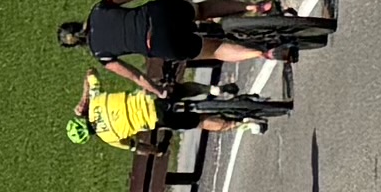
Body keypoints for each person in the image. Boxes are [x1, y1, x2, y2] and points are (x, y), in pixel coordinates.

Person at [66, 0, 333, 70]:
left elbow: (134, 76)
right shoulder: (99, 9)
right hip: (158, 15)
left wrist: (156, 89)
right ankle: (254, 8)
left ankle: (264, 53)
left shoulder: (100, 55)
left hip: (157, 44)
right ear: (78, 23)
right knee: (201, 10)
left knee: (215, 50)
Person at [70, 64, 268, 153]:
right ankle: (212, 89)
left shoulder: (108, 138)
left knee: (199, 122)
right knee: (178, 90)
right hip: (150, 98)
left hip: (157, 119)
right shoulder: (95, 101)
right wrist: (84, 98)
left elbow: (138, 147)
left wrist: (156, 150)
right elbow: (91, 72)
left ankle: (244, 125)